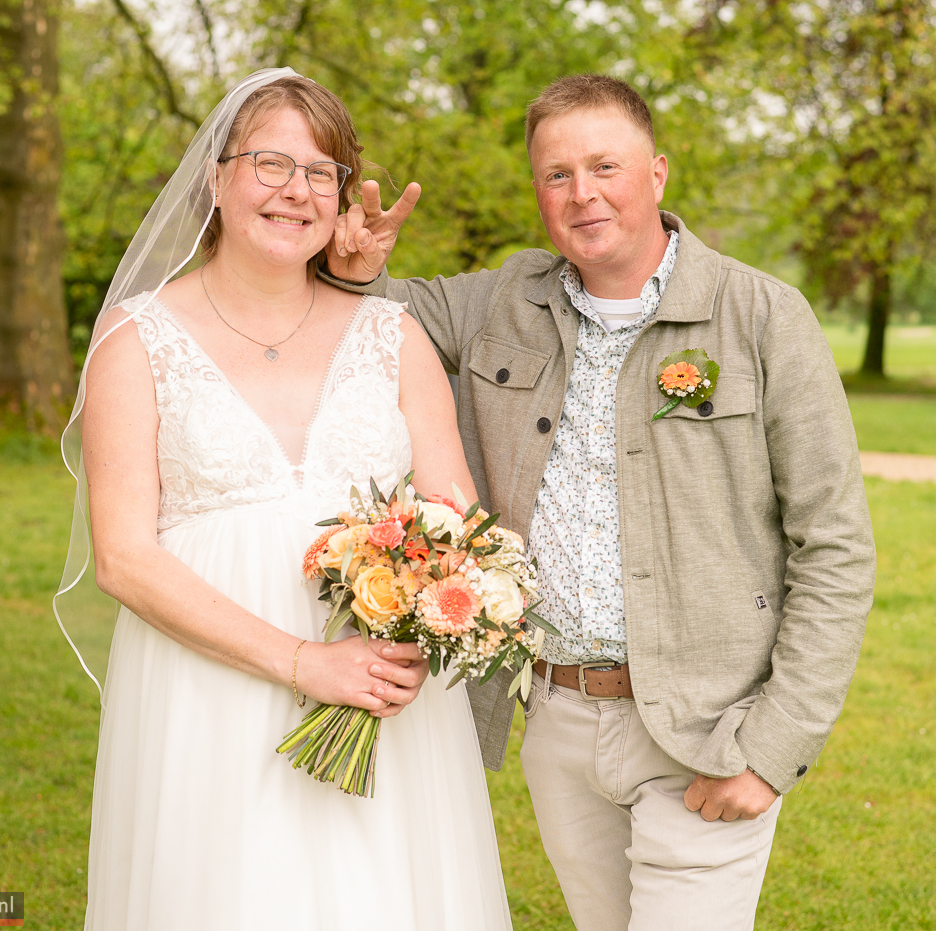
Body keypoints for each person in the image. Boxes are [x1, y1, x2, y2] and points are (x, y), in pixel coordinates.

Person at [320, 74, 877, 931]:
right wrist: (353, 267)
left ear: (656, 174)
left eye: (604, 166)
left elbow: (834, 546)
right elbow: (373, 316)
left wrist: (772, 748)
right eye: (557, 175)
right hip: (559, 721)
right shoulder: (501, 300)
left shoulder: (763, 317)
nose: (583, 193)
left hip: (705, 727)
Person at [57, 69, 512, 930]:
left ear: (342, 200)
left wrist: (431, 608)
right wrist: (305, 664)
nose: (295, 191)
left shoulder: (394, 333)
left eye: (320, 172)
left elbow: (454, 510)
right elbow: (121, 555)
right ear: (216, 178)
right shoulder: (135, 337)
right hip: (206, 690)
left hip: (382, 691)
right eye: (270, 162)